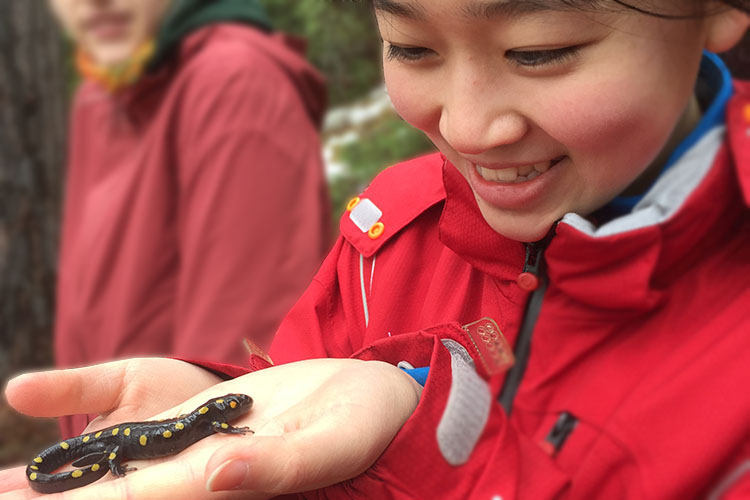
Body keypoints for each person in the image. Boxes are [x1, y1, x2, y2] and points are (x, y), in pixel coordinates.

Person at [2, 0, 749, 498]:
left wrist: (408, 433)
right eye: (412, 47)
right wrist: (228, 396)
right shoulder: (393, 230)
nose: (469, 127)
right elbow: (290, 395)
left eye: (540, 51)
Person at [47, 0, 331, 438]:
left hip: (181, 463)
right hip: (114, 448)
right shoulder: (101, 97)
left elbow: (242, 341)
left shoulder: (234, 81)